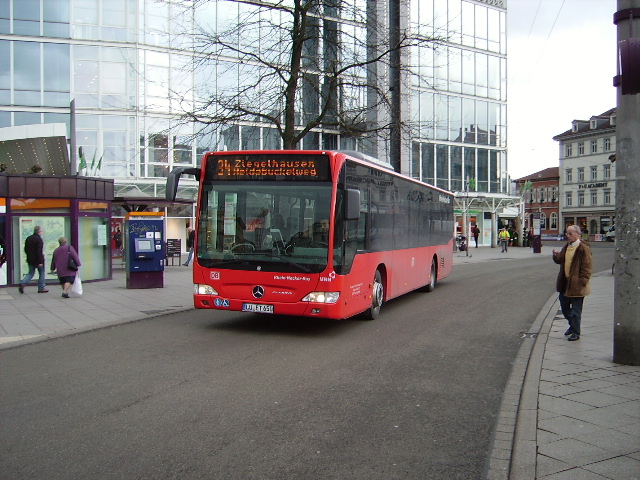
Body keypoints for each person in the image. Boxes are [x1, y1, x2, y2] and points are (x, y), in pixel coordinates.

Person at [552, 225, 592, 341]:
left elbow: (587, 267)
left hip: (577, 285)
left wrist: (582, 281)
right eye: (567, 233)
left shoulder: (583, 248)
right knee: (564, 308)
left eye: (570, 234)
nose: (567, 236)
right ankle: (572, 325)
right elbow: (560, 260)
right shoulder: (567, 246)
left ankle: (576, 332)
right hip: (565, 283)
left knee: (576, 311)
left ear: (578, 235)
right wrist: (555, 255)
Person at [18, 225, 48, 294]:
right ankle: (41, 288)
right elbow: (39, 251)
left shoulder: (29, 238)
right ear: (39, 232)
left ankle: (23, 282)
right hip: (38, 259)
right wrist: (40, 261)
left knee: (30, 273)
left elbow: (25, 249)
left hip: (30, 259)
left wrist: (29, 256)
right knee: (42, 273)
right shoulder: (39, 239)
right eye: (41, 231)